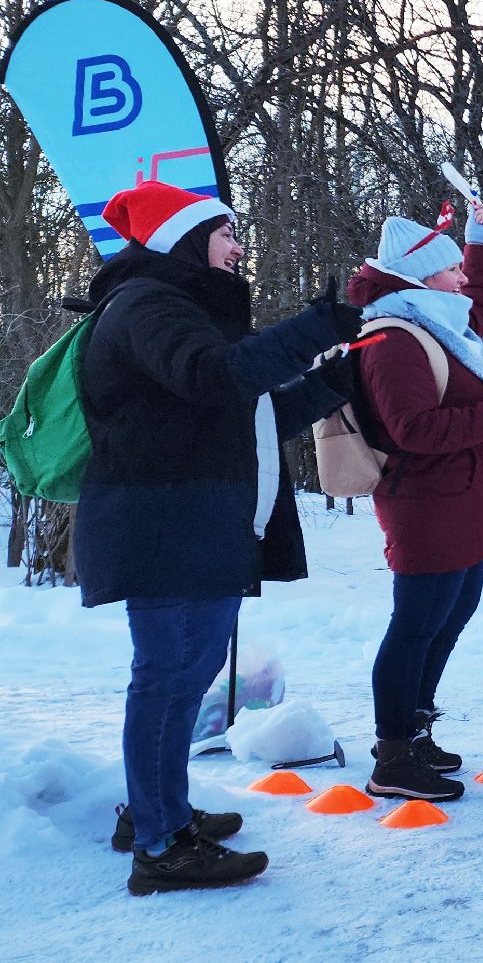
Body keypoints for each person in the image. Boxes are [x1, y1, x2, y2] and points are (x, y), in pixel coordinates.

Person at [77, 180, 360, 894]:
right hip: (165, 526)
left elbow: (251, 416)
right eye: (226, 233)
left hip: (196, 526)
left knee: (181, 680)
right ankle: (159, 846)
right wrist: (318, 324)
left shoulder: (180, 309)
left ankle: (158, 813)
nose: (238, 248)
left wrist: (340, 378)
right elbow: (216, 379)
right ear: (183, 238)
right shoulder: (148, 304)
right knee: (168, 679)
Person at [347, 203, 483, 801]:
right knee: (415, 626)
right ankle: (392, 757)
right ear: (419, 279)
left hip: (464, 501)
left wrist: (480, 238)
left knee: (451, 617)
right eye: (451, 270)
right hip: (426, 505)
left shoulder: (437, 319)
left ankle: (415, 733)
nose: (462, 278)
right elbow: (413, 429)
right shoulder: (391, 338)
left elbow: (480, 305)